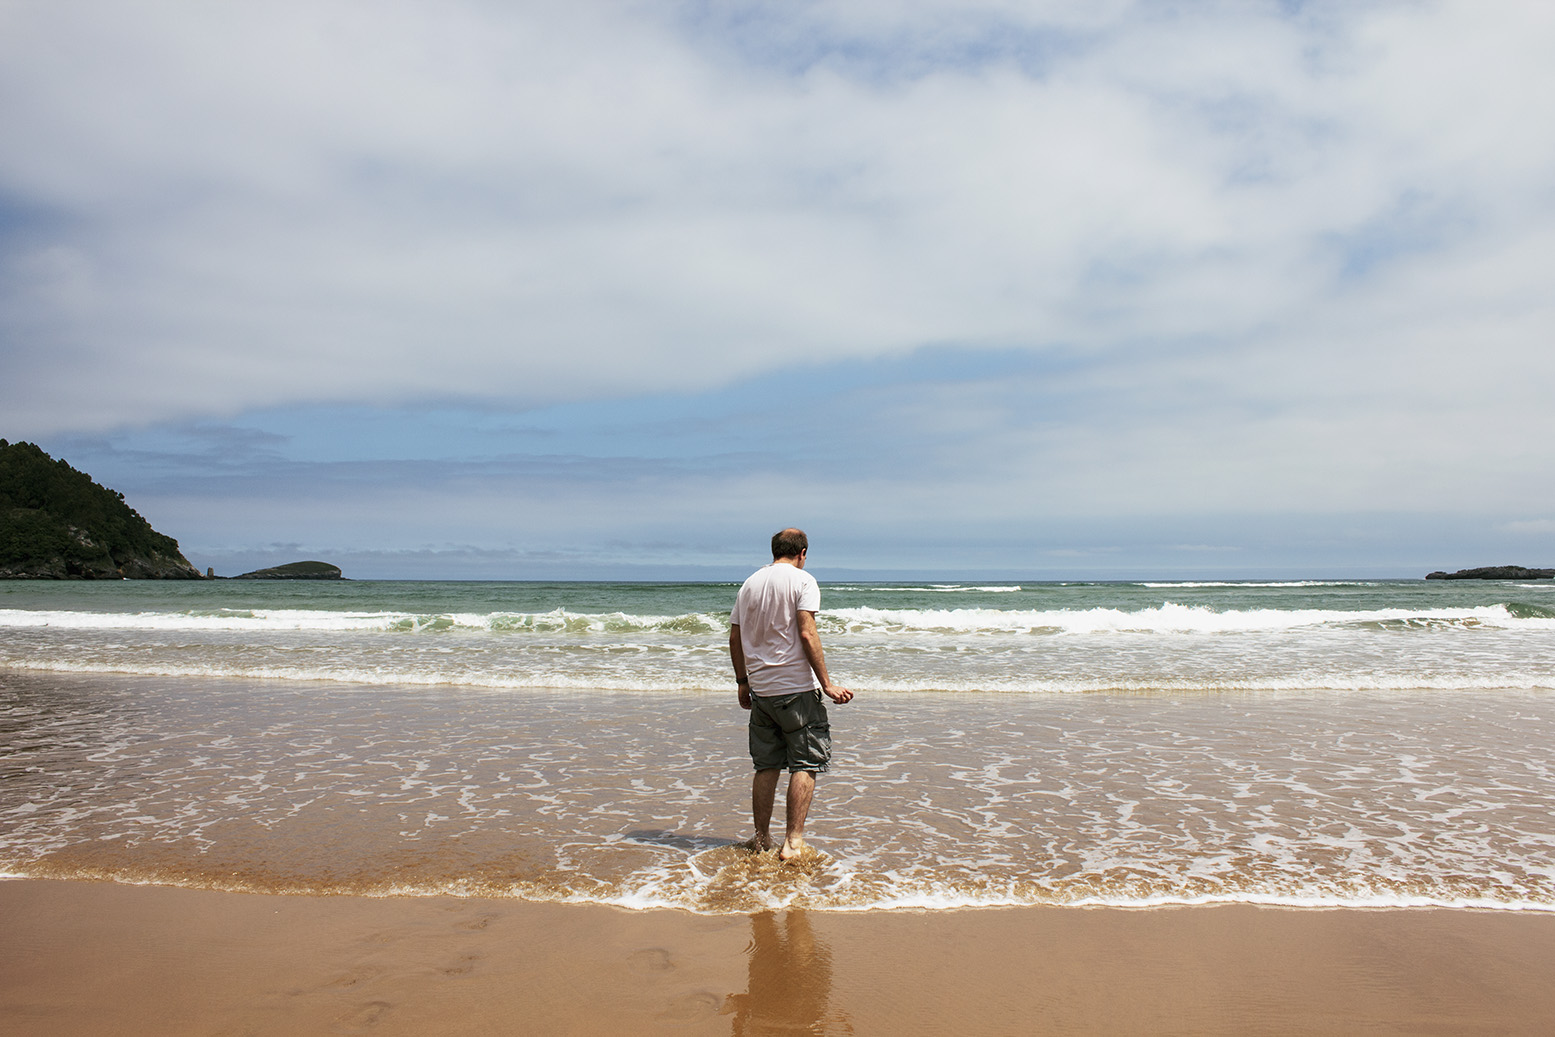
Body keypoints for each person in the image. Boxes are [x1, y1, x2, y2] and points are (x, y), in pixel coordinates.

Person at [728, 528, 852, 861]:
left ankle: (760, 839)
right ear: (803, 553)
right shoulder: (803, 581)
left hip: (762, 691)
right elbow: (807, 633)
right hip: (796, 689)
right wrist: (827, 684)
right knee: (805, 762)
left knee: (766, 766)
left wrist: (742, 682)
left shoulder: (750, 583)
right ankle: (793, 842)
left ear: (775, 550)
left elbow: (735, 638)